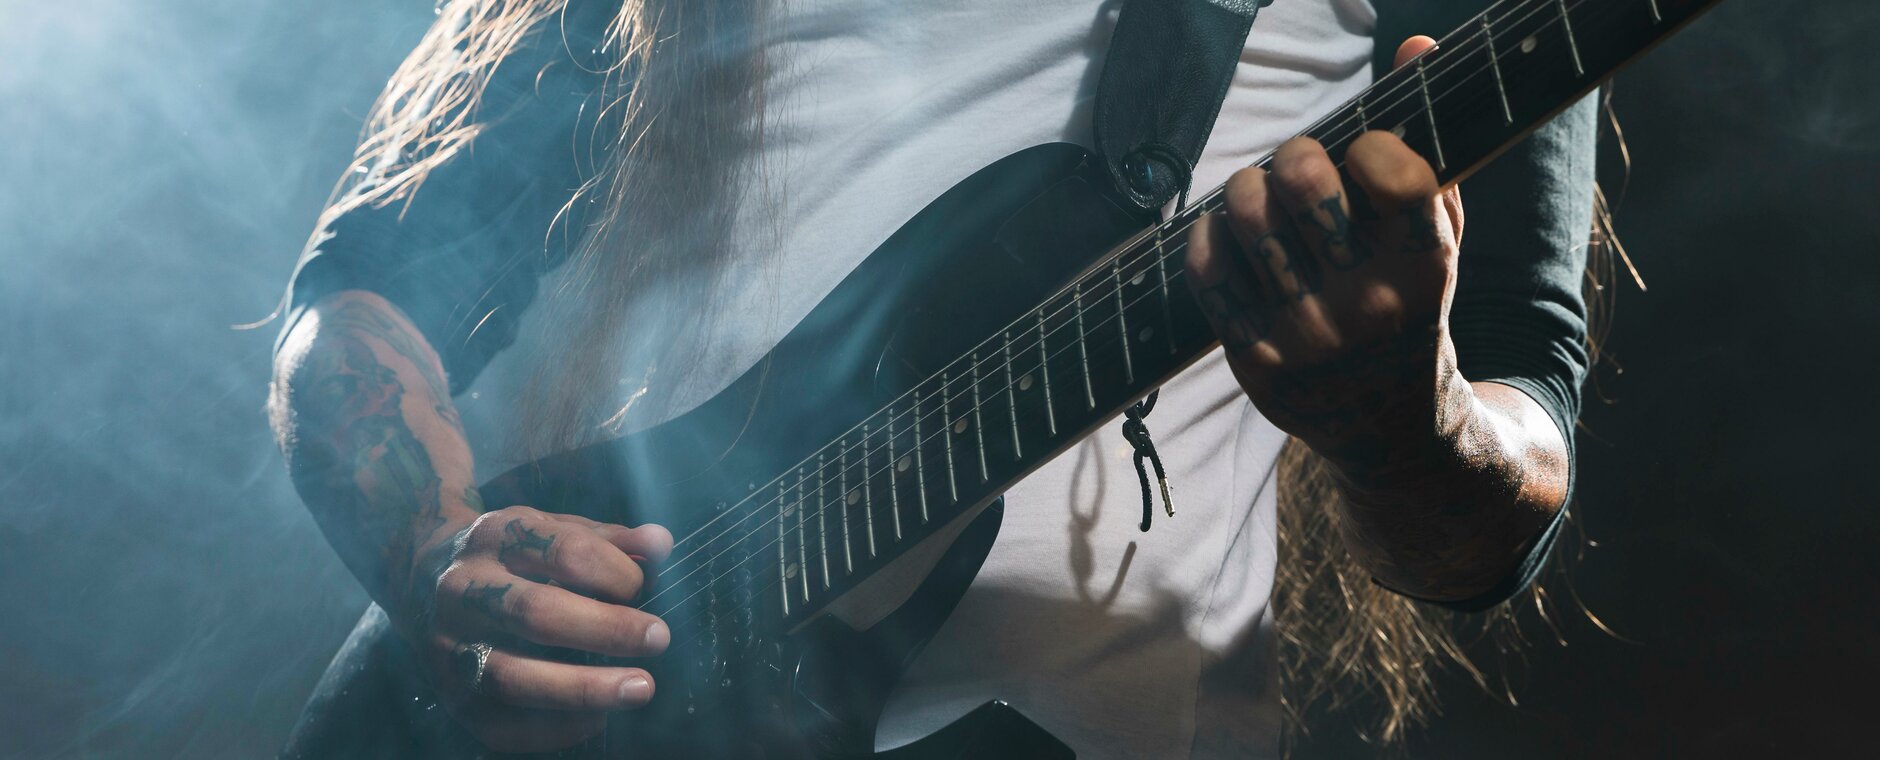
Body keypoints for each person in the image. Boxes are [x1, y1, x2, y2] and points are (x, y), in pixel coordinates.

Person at [269, 0, 1596, 756]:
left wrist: (1407, 421)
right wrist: (432, 556)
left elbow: (1516, 445)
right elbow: (367, 281)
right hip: (621, 671)